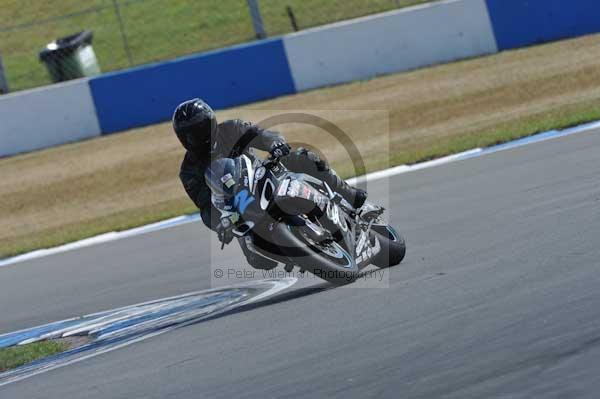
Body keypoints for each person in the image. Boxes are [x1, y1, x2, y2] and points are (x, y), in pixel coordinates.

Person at [172, 98, 366, 268]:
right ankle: (302, 253)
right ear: (182, 138)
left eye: (200, 128)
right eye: (189, 134)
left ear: (211, 122)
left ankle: (347, 192)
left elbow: (263, 135)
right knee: (259, 261)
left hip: (265, 175)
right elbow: (206, 207)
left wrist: (275, 144)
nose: (197, 136)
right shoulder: (189, 171)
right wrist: (220, 224)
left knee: (305, 157)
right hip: (239, 208)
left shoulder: (231, 129)